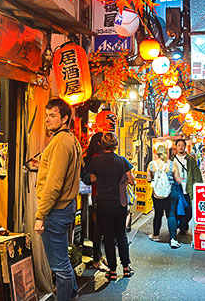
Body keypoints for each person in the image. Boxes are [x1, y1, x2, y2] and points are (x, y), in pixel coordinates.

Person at [34, 98, 83, 301]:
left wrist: (40, 215)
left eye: (52, 115)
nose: (47, 119)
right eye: (47, 115)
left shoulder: (61, 142)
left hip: (56, 209)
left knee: (59, 265)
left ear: (64, 118)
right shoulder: (68, 139)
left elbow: (54, 183)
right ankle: (72, 294)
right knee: (63, 260)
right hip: (65, 207)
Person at [89, 132, 135, 281]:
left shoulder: (96, 162)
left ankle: (113, 271)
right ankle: (126, 268)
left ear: (102, 145)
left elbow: (91, 179)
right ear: (115, 146)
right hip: (119, 204)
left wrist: (102, 178)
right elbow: (132, 181)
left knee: (108, 236)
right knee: (121, 235)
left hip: (103, 203)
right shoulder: (122, 161)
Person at [147, 145, 182, 249]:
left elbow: (148, 180)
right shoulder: (172, 164)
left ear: (156, 154)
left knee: (158, 214)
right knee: (171, 215)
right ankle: (173, 239)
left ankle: (156, 235)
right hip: (171, 192)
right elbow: (178, 180)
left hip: (157, 194)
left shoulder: (151, 165)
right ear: (166, 153)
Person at [82, 132, 107, 270]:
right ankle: (97, 259)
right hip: (97, 195)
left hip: (93, 195)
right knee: (99, 229)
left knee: (98, 228)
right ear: (99, 143)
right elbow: (92, 178)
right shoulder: (97, 159)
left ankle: (99, 256)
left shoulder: (91, 158)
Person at [171, 139, 203, 235]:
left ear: (185, 147)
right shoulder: (172, 160)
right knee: (176, 209)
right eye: (179, 145)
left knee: (188, 210)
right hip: (176, 189)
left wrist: (198, 188)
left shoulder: (191, 160)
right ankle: (180, 225)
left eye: (182, 145)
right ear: (176, 147)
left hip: (188, 189)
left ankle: (184, 223)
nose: (181, 147)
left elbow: (197, 175)